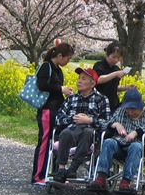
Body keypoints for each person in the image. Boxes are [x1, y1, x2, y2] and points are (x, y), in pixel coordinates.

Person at [89, 88, 145, 190]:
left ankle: (126, 181)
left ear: (140, 106)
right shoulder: (120, 112)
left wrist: (136, 132)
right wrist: (116, 124)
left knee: (135, 146)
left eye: (133, 109)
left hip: (139, 147)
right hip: (119, 145)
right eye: (127, 109)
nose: (129, 112)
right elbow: (105, 123)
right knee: (108, 142)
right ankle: (101, 177)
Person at [52, 67, 110, 183]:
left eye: (84, 79)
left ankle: (73, 168)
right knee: (65, 133)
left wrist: (90, 121)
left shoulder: (101, 99)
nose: (79, 81)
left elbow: (107, 123)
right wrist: (73, 119)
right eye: (79, 78)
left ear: (92, 83)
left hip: (90, 134)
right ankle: (61, 169)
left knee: (87, 132)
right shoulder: (71, 98)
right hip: (72, 130)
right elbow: (58, 118)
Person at [31, 43, 75, 186]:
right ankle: (38, 176)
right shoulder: (46, 66)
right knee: (44, 141)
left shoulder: (58, 69)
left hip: (57, 109)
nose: (67, 62)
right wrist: (61, 88)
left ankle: (55, 173)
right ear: (60, 56)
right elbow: (42, 85)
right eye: (67, 59)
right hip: (47, 109)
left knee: (56, 143)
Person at [93, 41, 136, 113]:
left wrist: (127, 87)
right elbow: (98, 80)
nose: (116, 60)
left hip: (113, 103)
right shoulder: (99, 65)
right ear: (107, 54)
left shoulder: (116, 68)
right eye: (113, 57)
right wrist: (115, 74)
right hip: (100, 103)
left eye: (118, 58)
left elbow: (115, 87)